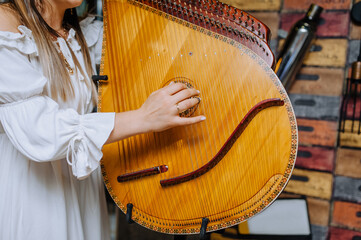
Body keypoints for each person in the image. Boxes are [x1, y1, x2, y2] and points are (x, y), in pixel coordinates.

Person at [0, 0, 205, 239]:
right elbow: (41, 130)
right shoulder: (6, 24)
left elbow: (153, 48)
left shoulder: (82, 32)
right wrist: (144, 118)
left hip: (81, 189)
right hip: (34, 194)